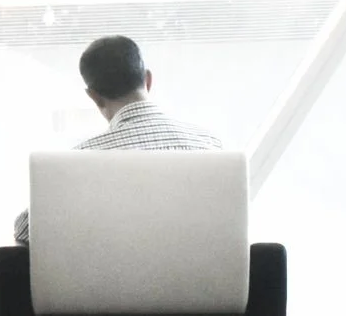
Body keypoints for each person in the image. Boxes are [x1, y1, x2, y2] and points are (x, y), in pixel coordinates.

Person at [13, 35, 223, 244]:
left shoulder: (77, 163)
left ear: (94, 97)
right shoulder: (210, 145)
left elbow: (24, 230)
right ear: (148, 80)